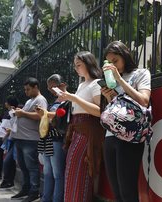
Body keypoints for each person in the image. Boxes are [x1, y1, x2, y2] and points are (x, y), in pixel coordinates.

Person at [100, 41, 151, 202]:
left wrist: (119, 80)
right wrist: (109, 96)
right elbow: (116, 108)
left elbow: (144, 100)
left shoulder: (141, 73)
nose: (113, 65)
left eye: (115, 61)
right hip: (110, 136)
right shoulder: (111, 80)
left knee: (127, 191)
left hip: (131, 136)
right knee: (117, 192)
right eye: (109, 62)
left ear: (125, 56)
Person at [58, 51, 105, 202]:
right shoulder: (81, 85)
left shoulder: (97, 83)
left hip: (88, 131)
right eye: (75, 65)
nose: (76, 68)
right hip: (76, 130)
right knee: (71, 171)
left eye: (79, 65)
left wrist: (74, 98)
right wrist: (68, 98)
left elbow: (100, 111)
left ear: (88, 63)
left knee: (79, 171)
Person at [10, 77, 48, 202]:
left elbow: (40, 115)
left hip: (30, 139)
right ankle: (26, 189)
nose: (26, 92)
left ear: (36, 87)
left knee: (32, 167)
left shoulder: (40, 100)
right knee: (23, 166)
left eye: (28, 89)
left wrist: (23, 113)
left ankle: (34, 191)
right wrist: (20, 112)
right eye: (25, 89)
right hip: (21, 139)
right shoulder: (29, 101)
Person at [36, 74, 67, 202]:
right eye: (49, 88)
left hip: (57, 139)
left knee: (57, 174)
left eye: (52, 87)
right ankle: (46, 198)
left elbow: (63, 118)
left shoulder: (67, 99)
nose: (51, 90)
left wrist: (46, 114)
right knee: (48, 173)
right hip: (48, 139)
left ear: (62, 85)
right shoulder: (56, 101)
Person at [0, 96, 19, 189]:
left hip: (15, 140)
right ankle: (8, 181)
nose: (5, 104)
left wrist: (7, 134)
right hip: (11, 140)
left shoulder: (16, 114)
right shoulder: (10, 114)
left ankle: (7, 181)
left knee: (8, 161)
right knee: (10, 161)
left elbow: (15, 127)